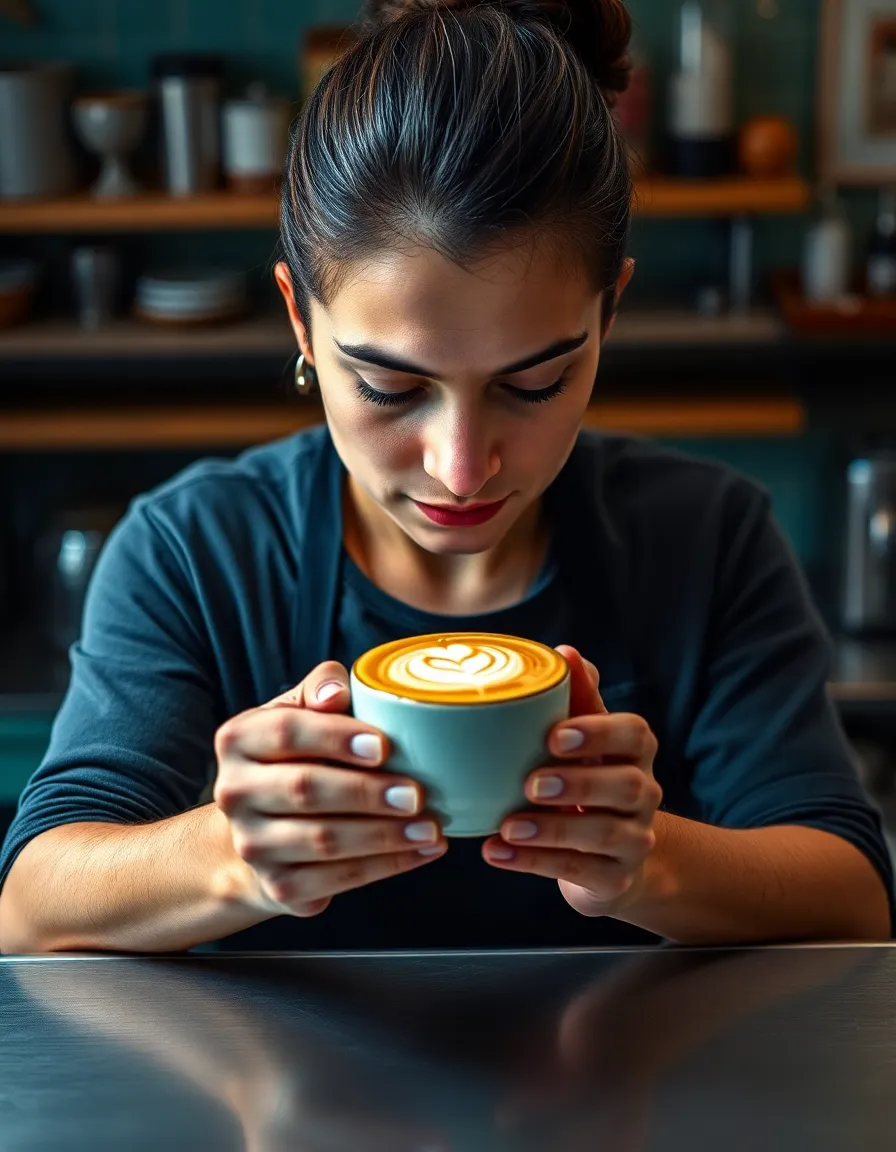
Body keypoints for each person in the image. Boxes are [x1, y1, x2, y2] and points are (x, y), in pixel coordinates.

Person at [0, 0, 891, 956]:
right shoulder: (195, 552)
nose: (461, 468)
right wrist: (231, 856)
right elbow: (30, 907)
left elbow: (853, 901)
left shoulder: (708, 539)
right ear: (301, 322)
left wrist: (652, 865)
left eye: (536, 381)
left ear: (609, 317)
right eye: (389, 387)